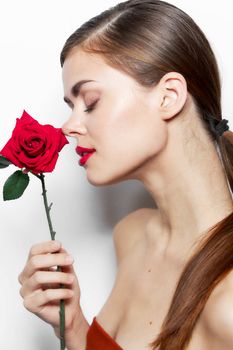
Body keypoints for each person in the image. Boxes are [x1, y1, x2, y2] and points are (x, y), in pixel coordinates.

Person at [18, 0, 233, 349]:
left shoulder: (228, 304)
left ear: (169, 97)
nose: (68, 127)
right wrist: (72, 325)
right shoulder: (132, 235)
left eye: (90, 101)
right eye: (70, 107)